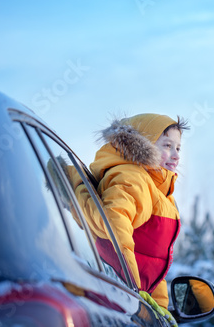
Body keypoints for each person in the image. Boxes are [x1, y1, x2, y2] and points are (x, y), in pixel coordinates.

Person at [70, 113, 188, 325]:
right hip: (117, 300)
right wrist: (133, 290)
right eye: (167, 145)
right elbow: (114, 228)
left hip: (129, 303)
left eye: (178, 148)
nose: (176, 155)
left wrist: (159, 309)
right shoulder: (133, 179)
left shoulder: (161, 194)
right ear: (144, 144)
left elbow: (152, 260)